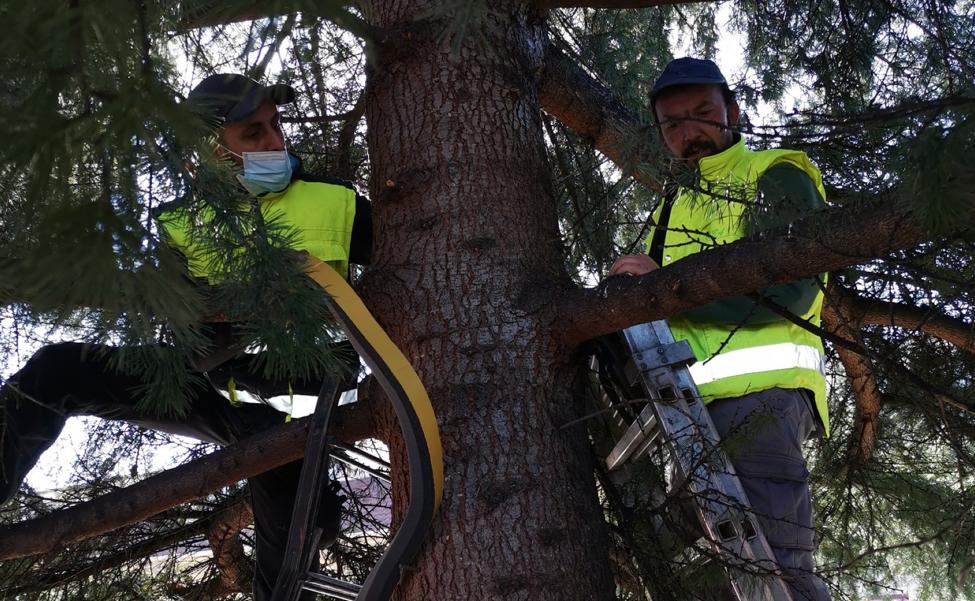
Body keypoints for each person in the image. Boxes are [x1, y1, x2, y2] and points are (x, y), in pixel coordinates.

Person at [0, 73, 372, 600]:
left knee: (285, 568)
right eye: (253, 133)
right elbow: (177, 325)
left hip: (302, 402)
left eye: (276, 126)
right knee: (57, 368)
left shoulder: (335, 204)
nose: (275, 142)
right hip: (208, 385)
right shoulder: (180, 223)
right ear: (208, 149)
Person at [609, 58, 831, 601]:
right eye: (674, 125)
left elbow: (790, 287)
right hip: (689, 411)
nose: (691, 132)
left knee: (780, 569)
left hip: (764, 401)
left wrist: (666, 285)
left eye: (703, 114)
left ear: (731, 110)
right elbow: (660, 308)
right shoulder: (676, 202)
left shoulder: (776, 171)